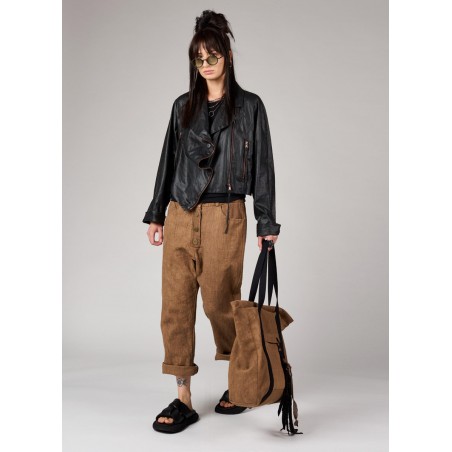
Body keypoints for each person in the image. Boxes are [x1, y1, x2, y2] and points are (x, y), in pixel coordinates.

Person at [142, 10, 281, 434]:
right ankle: (183, 397)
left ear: (228, 57)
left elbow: (263, 167)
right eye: (199, 58)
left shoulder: (250, 107)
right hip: (181, 215)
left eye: (213, 56)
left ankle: (240, 380)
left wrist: (266, 222)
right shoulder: (182, 107)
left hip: (226, 216)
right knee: (175, 307)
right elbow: (168, 161)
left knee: (221, 305)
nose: (206, 64)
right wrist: (156, 213)